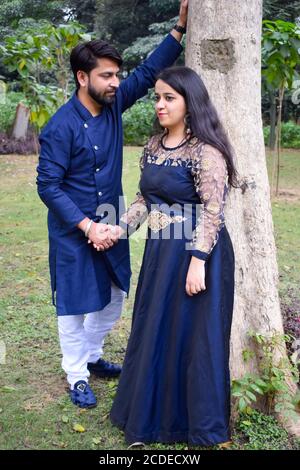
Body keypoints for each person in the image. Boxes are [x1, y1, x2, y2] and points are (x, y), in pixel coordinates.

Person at [36, 1, 189, 409]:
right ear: (82, 77)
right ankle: (76, 375)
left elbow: (145, 73)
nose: (116, 82)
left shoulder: (114, 106)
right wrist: (88, 227)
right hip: (75, 230)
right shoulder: (59, 128)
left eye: (116, 74)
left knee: (114, 297)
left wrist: (178, 30)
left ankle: (91, 354)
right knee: (73, 308)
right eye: (106, 76)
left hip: (113, 223)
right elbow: (48, 186)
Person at [109, 65, 238, 446]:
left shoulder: (206, 151)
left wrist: (198, 260)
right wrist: (119, 228)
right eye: (157, 97)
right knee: (156, 329)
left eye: (169, 98)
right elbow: (144, 199)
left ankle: (194, 425)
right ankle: (147, 419)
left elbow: (214, 211)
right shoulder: (152, 146)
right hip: (159, 253)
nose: (160, 105)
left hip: (198, 255)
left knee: (193, 339)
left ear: (189, 102)